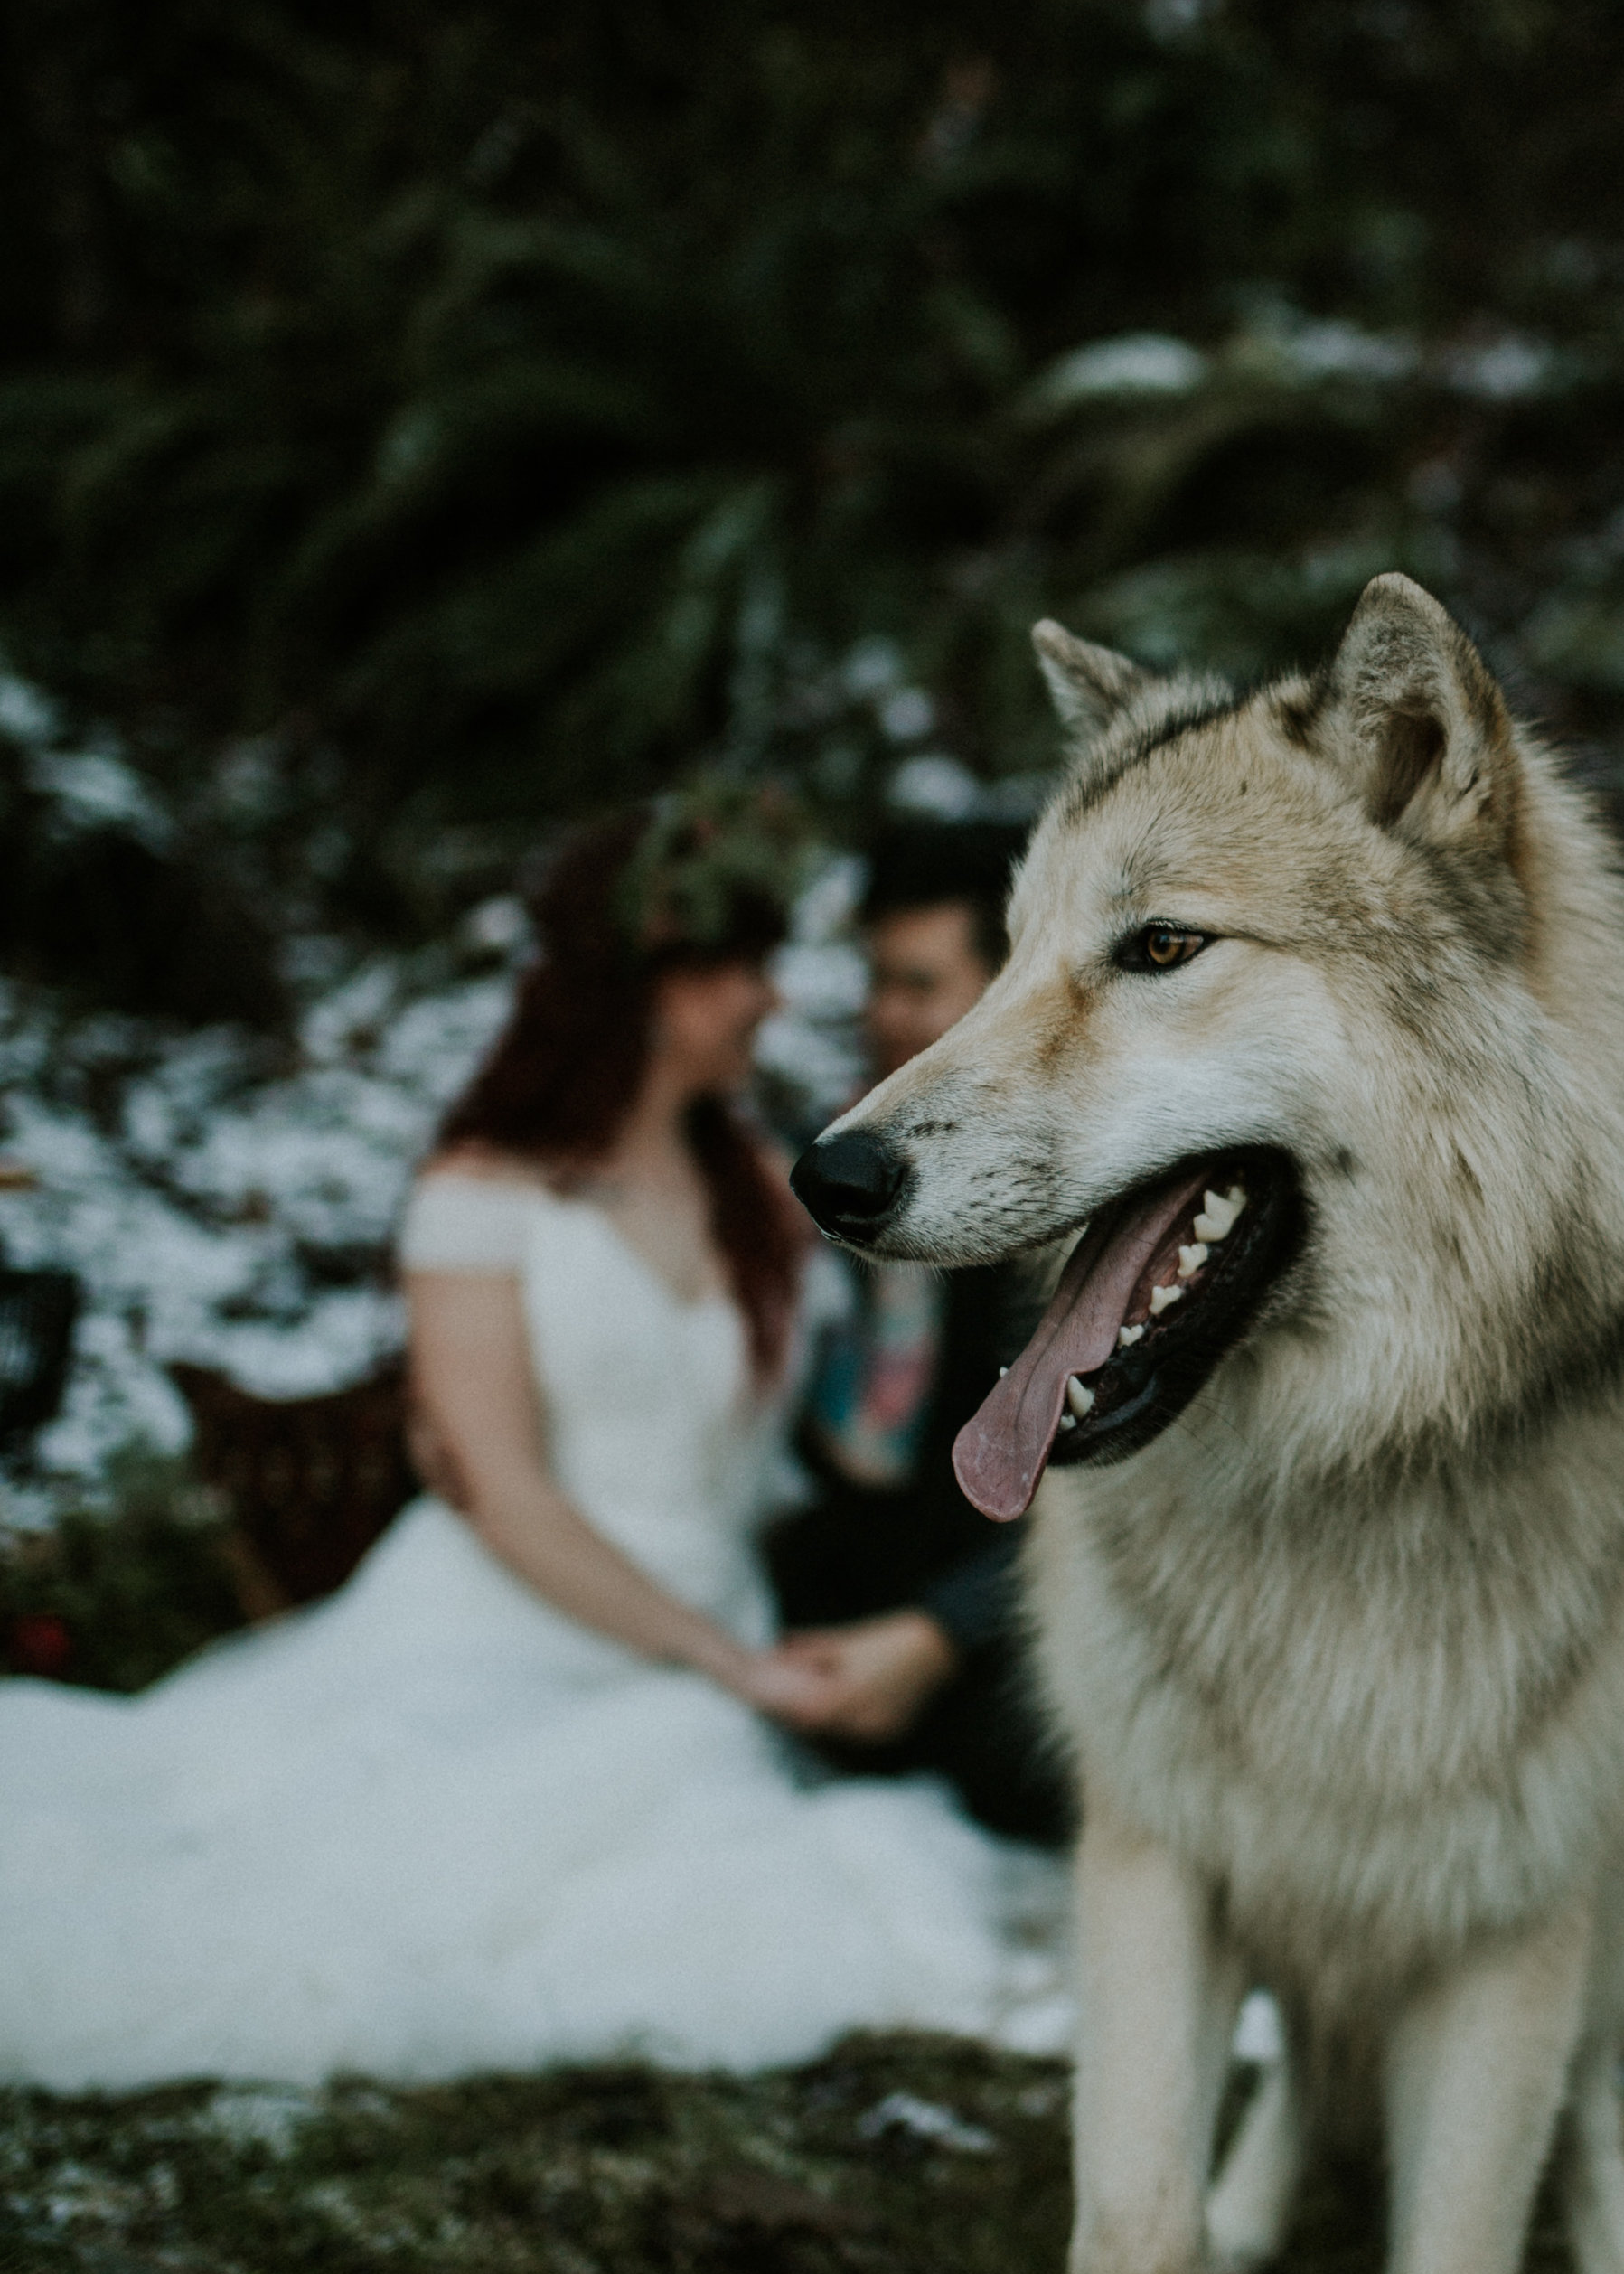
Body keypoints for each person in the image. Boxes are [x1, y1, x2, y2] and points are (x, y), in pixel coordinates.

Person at [0, 794, 1059, 2092]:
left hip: (728, 1604)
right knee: (372, 1873)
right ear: (640, 984)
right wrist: (721, 1657)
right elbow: (501, 1484)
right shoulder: (483, 1188)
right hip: (521, 1611)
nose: (771, 1003)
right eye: (738, 970)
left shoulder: (761, 1181)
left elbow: (867, 1419)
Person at [761, 821, 1072, 1845]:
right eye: (873, 980)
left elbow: (1098, 1483)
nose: (881, 1013)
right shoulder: (840, 1147)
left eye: (917, 983)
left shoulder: (1060, 1199)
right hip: (854, 1571)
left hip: (1012, 1616)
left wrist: (936, 1636)